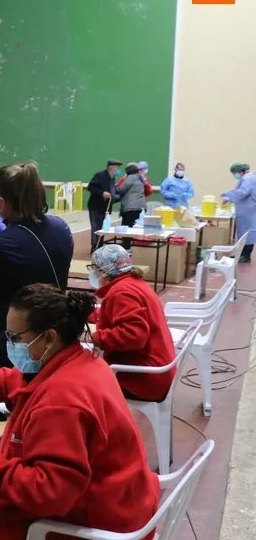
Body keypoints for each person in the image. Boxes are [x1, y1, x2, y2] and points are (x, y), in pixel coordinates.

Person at [0, 284, 159, 540]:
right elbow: (16, 381)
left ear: (49, 336)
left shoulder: (62, 402)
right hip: (122, 507)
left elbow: (50, 493)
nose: (10, 344)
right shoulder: (78, 360)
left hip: (90, 537)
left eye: (15, 338)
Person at [0, 162, 73, 369]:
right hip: (52, 336)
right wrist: (6, 231)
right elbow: (30, 253)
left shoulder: (1, 244)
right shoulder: (61, 228)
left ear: (2, 202)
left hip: (11, 345)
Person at [89, 245, 176, 402]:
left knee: (81, 382)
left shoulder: (121, 293)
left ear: (105, 270)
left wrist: (94, 338)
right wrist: (85, 313)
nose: (92, 272)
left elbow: (133, 336)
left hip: (143, 379)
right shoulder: (133, 283)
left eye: (93, 267)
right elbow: (117, 313)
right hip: (158, 370)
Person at [221, 163, 256, 263]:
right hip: (248, 209)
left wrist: (228, 195)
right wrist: (230, 197)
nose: (235, 175)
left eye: (234, 173)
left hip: (248, 210)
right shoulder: (250, 177)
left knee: (247, 233)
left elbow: (242, 192)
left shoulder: (247, 179)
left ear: (240, 171)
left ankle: (245, 256)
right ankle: (242, 254)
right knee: (246, 233)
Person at [87, 159, 123, 253]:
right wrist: (102, 193)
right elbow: (91, 187)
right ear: (111, 167)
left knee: (103, 228)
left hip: (105, 208)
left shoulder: (112, 178)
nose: (119, 170)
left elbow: (111, 191)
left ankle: (100, 245)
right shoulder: (100, 175)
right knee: (96, 228)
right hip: (96, 207)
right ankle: (95, 247)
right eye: (117, 167)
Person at [116, 163, 146, 228]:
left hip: (131, 208)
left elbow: (121, 190)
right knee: (137, 228)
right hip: (141, 207)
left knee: (127, 229)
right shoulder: (140, 178)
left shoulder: (131, 177)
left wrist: (114, 189)